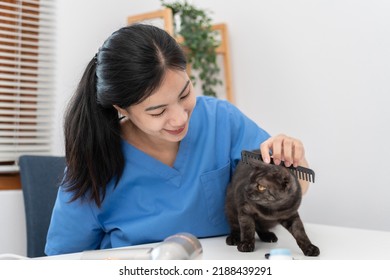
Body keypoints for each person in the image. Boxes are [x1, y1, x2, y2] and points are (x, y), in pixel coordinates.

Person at [45, 24, 311, 255]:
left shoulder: (221, 120)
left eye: (184, 95)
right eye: (158, 111)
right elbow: (62, 259)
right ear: (121, 108)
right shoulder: (93, 161)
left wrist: (292, 163)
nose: (179, 119)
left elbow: (291, 187)